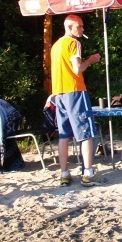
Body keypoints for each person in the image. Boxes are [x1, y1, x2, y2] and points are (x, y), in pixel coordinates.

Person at [51, 14, 104, 187]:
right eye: (79, 26)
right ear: (69, 27)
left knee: (64, 135)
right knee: (86, 132)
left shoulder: (55, 46)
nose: (82, 29)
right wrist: (90, 60)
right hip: (75, 91)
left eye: (82, 26)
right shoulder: (74, 43)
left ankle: (64, 174)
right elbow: (78, 68)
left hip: (58, 93)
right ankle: (88, 173)